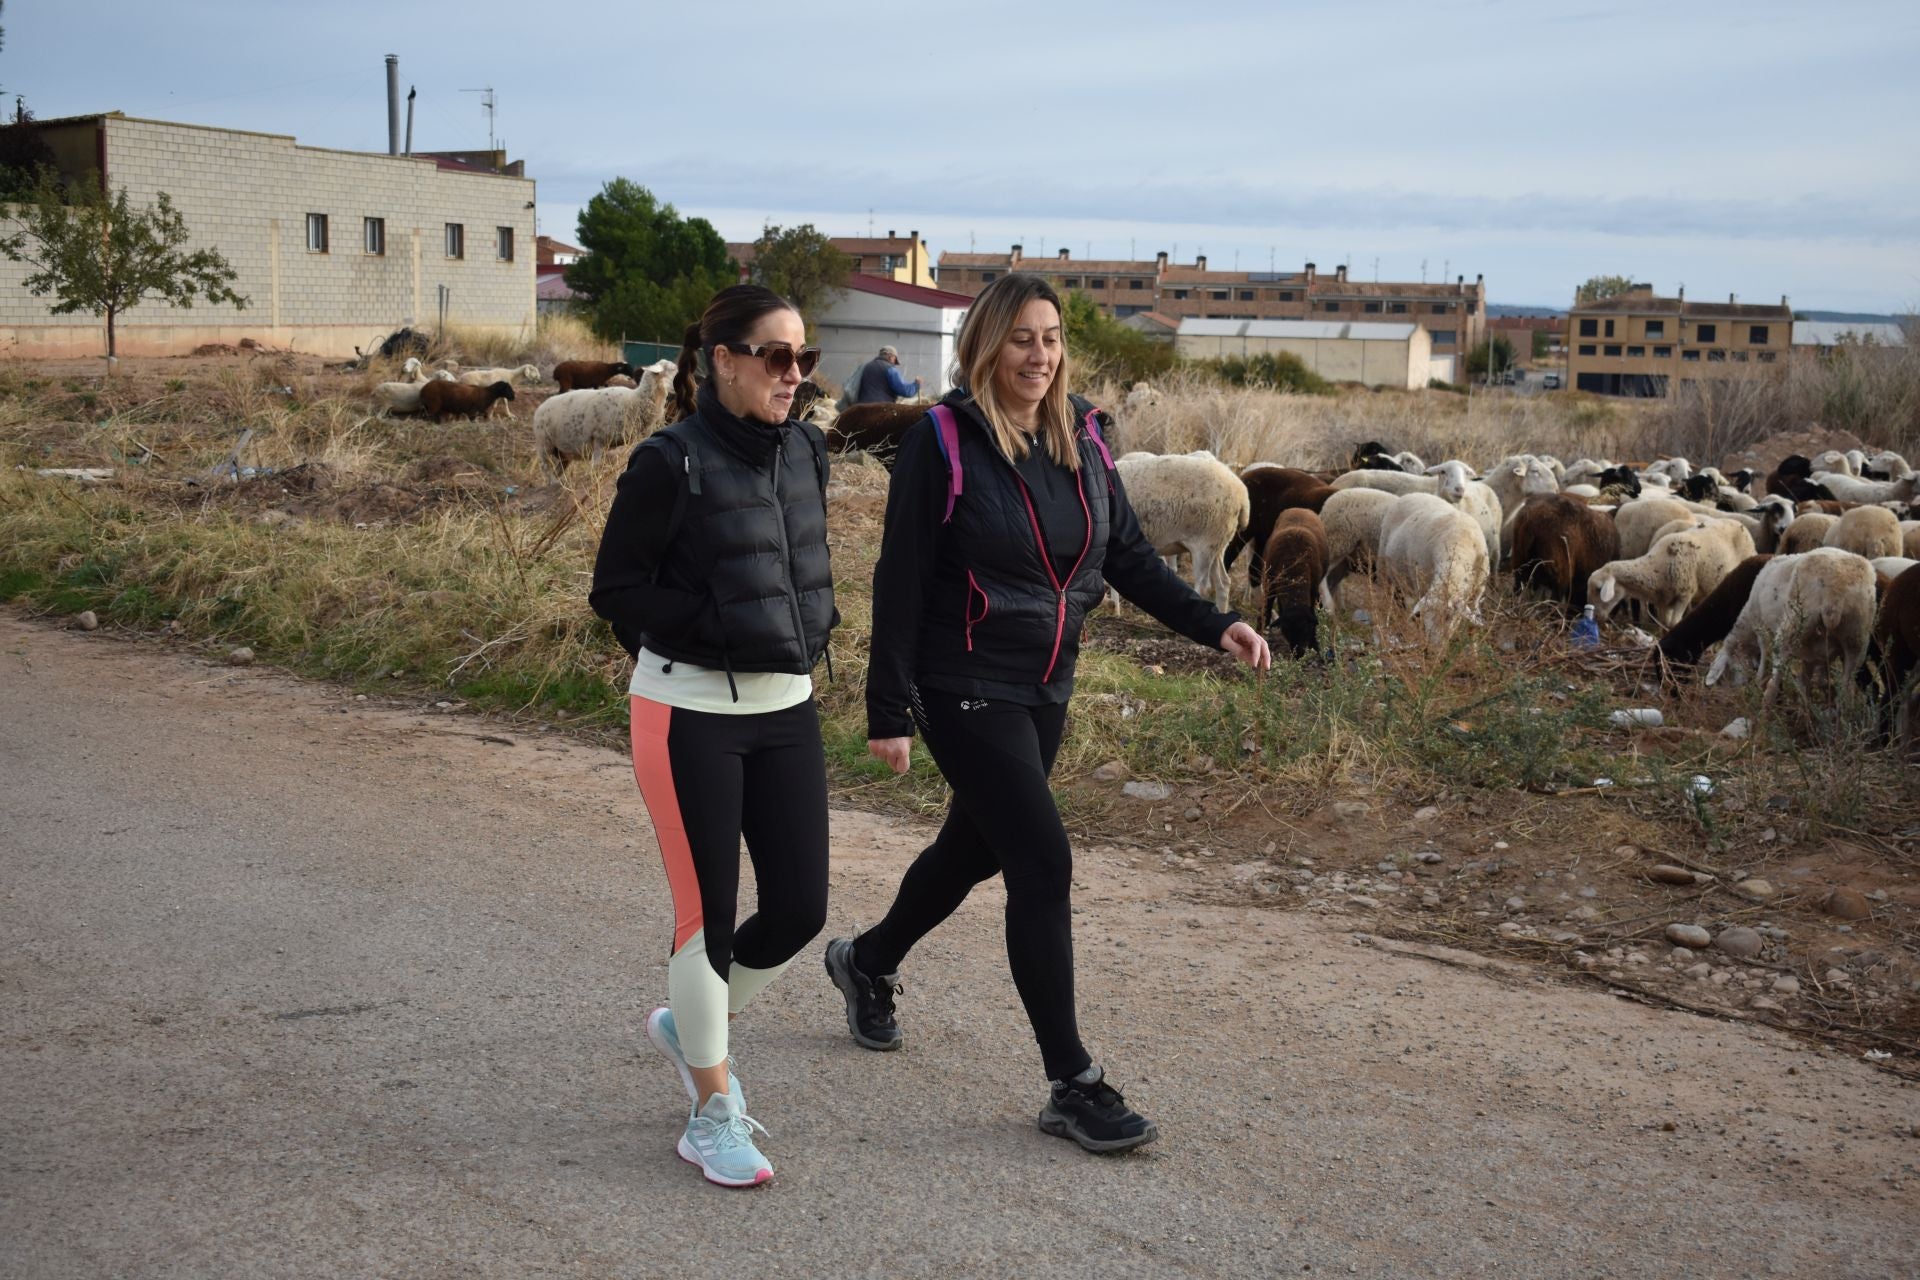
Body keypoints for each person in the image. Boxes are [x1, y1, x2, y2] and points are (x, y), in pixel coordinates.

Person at [824, 273, 1271, 1154]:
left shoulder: (1085, 439)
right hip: (963, 680)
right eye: (1022, 338)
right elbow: (900, 578)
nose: (1040, 355)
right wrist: (888, 707)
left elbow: (1127, 556)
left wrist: (1214, 623)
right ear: (987, 345)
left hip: (1046, 681)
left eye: (1052, 338)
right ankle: (1073, 1083)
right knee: (1041, 860)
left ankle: (866, 960)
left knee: (975, 849)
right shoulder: (942, 441)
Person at [589, 284, 837, 1189]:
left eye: (805, 358)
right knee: (710, 920)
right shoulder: (669, 460)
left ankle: (693, 1023)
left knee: (801, 907)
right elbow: (616, 591)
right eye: (776, 356)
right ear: (722, 360)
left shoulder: (807, 448)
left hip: (787, 705)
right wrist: (709, 627)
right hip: (687, 711)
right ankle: (711, 1111)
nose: (794, 374)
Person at [851, 344, 922, 404]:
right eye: (895, 360)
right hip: (881, 408)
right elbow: (905, 391)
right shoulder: (890, 369)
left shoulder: (865, 366)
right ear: (890, 356)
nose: (894, 363)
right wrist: (916, 384)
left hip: (862, 407)